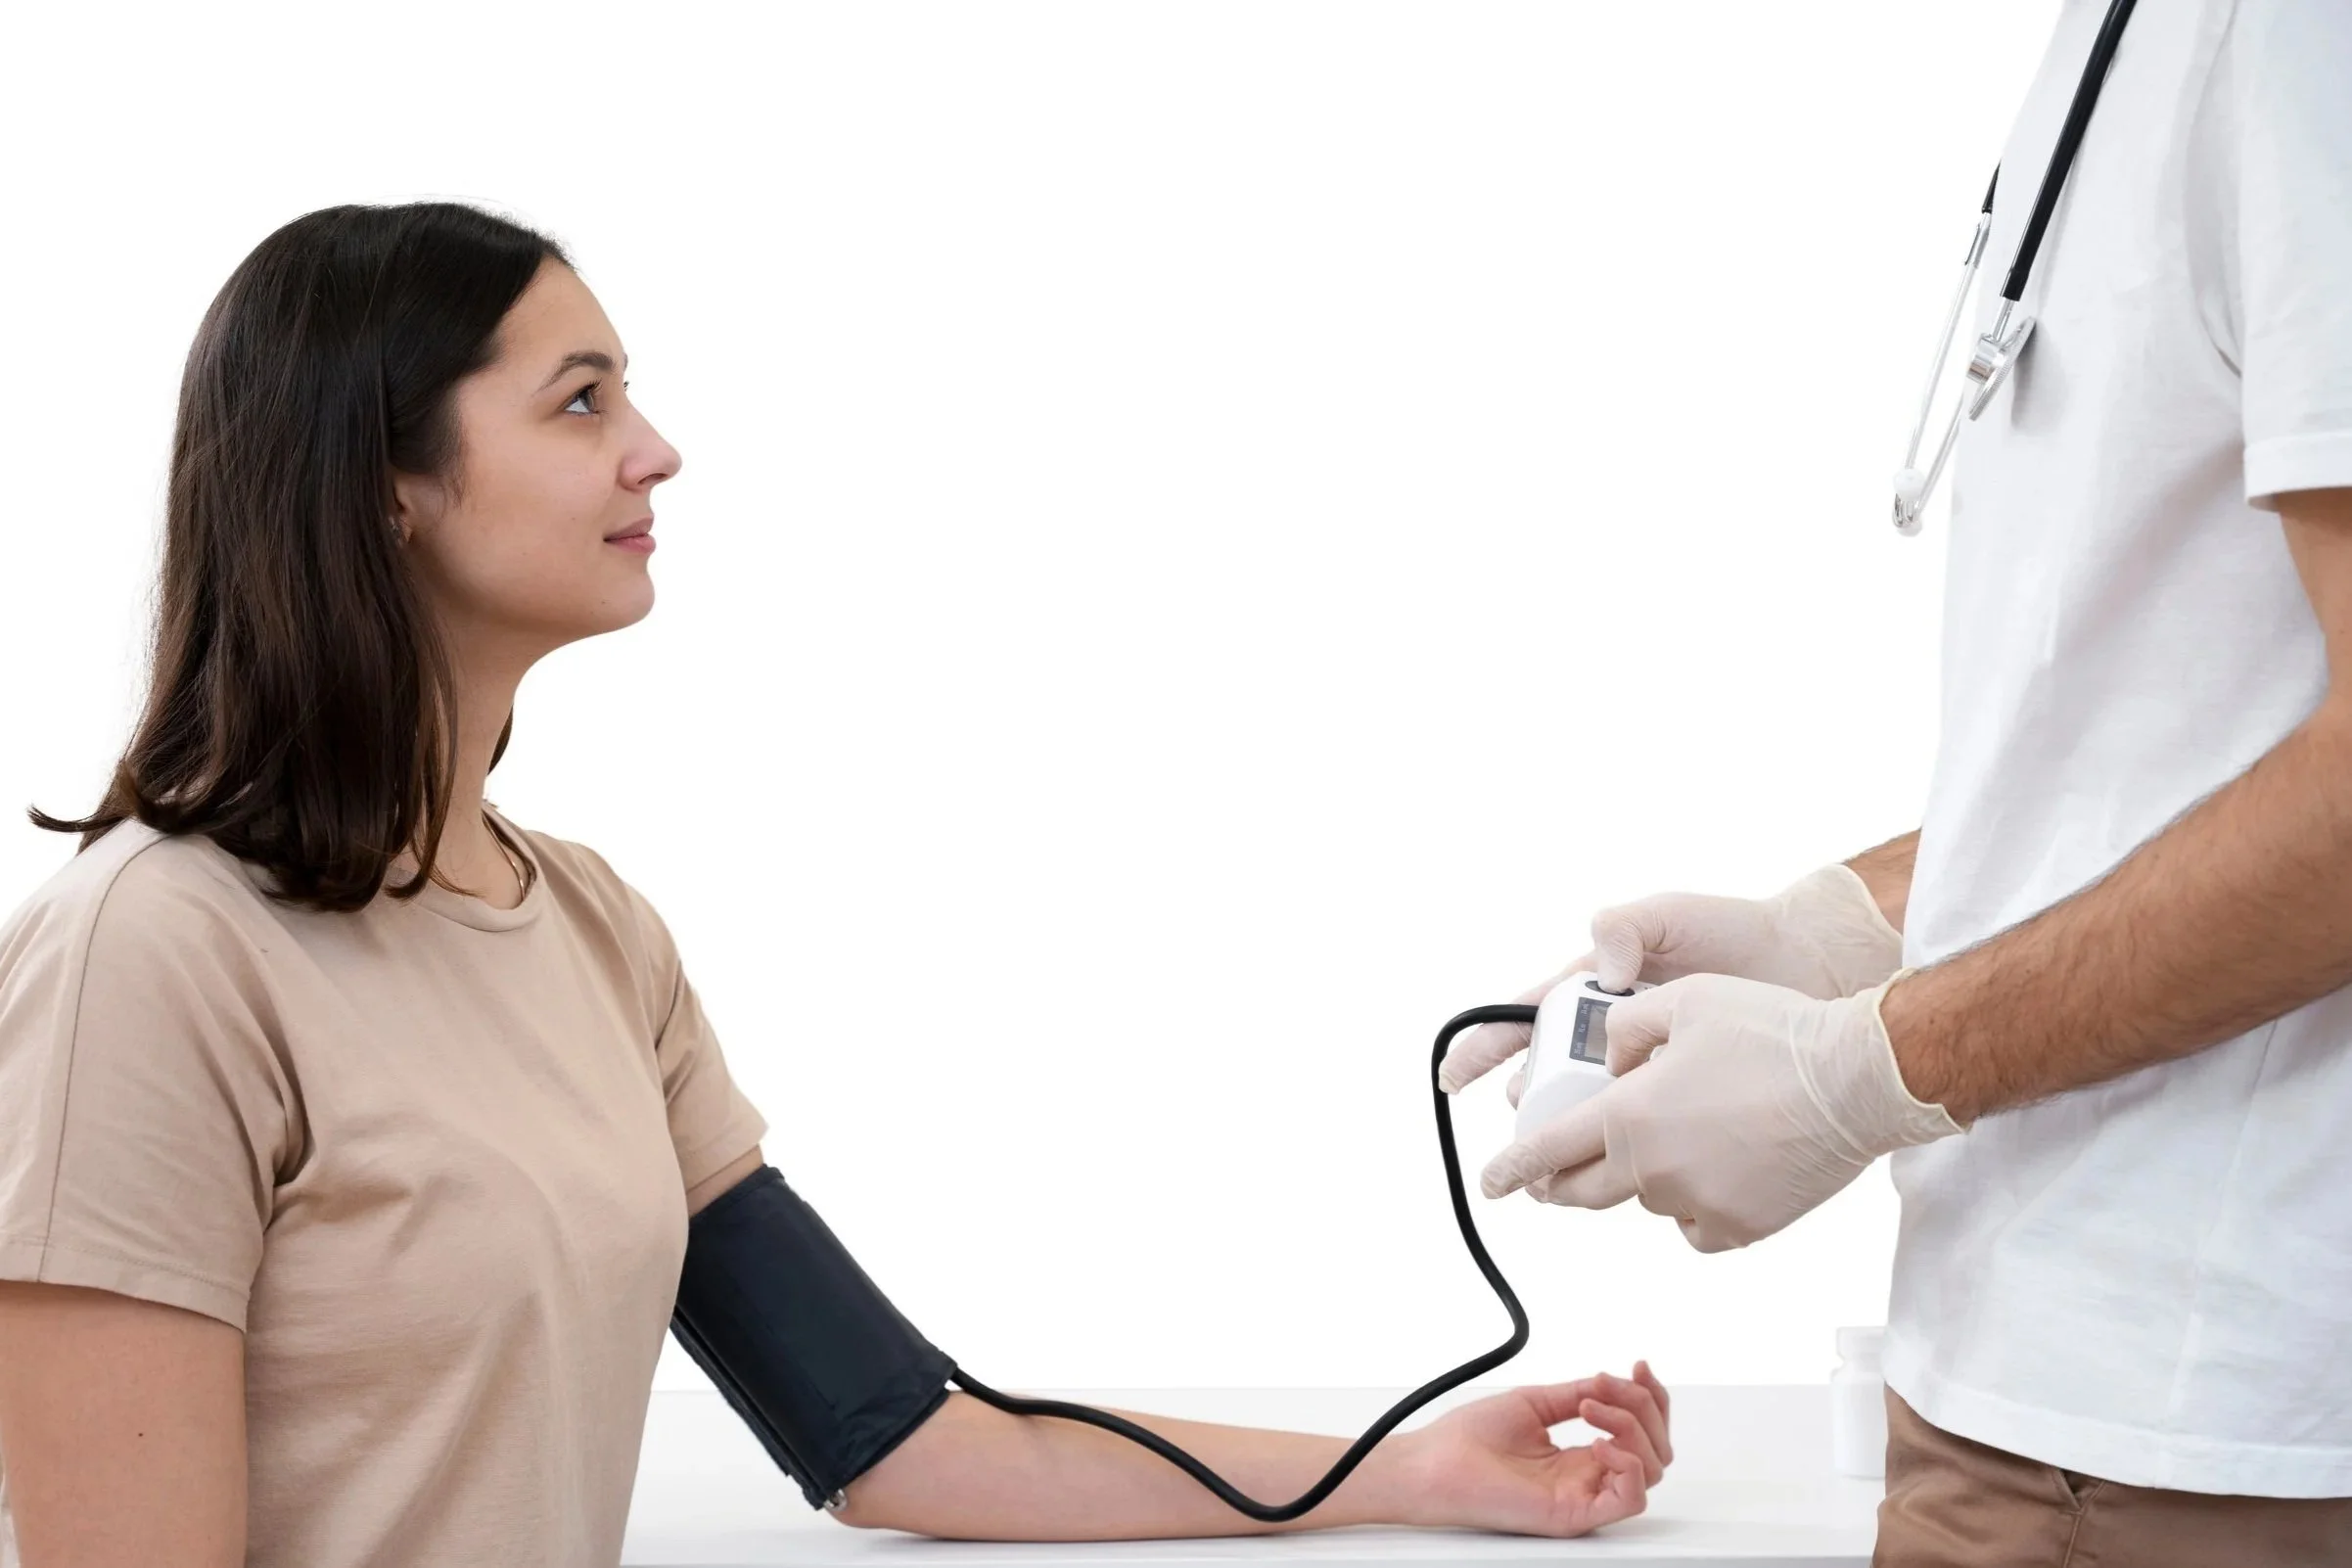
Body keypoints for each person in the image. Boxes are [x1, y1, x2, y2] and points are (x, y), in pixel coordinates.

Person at [0, 202, 1673, 1568]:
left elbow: (895, 1435)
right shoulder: (155, 954)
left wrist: (1407, 1469)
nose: (654, 450)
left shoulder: (586, 932)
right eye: (579, 400)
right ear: (387, 482)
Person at [1441, 1, 2352, 1563]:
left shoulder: (2292, 41)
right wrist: (1839, 930)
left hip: (2188, 1441)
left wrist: (1856, 1069)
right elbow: (2179, 726)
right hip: (2021, 1384)